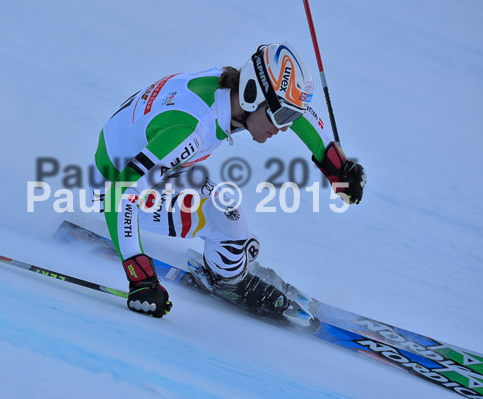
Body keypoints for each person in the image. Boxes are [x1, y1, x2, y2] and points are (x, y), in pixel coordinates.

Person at [92, 42, 366, 323]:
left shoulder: (229, 92)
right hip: (113, 189)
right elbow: (119, 194)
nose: (284, 127)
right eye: (283, 116)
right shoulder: (193, 129)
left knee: (229, 213)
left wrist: (336, 164)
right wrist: (140, 277)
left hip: (155, 167)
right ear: (250, 97)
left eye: (289, 116)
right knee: (229, 224)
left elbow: (296, 112)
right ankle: (228, 280)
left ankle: (229, 261)